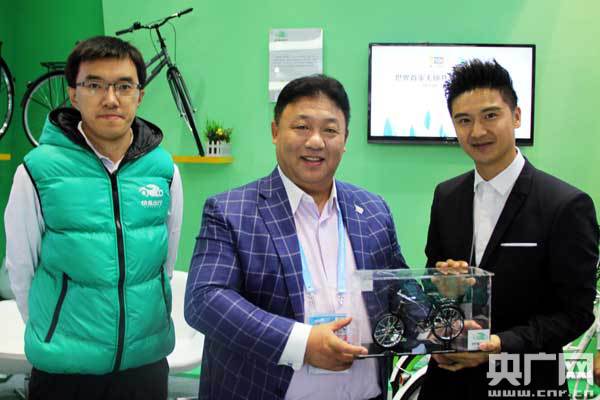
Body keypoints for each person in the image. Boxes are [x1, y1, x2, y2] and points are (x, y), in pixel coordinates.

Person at [184, 74, 407, 400]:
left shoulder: (373, 209)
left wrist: (446, 322)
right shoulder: (230, 211)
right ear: (275, 132)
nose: (315, 141)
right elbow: (205, 300)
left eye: (330, 130)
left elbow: (399, 289)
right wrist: (301, 343)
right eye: (302, 127)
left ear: (345, 139)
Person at [4, 36, 183, 400]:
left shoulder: (163, 170)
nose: (110, 98)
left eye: (124, 86)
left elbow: (164, 263)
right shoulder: (37, 171)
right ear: (73, 94)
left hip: (144, 364)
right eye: (95, 85)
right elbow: (21, 268)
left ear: (140, 95)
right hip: (65, 370)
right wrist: (53, 335)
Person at [418, 59, 599, 399]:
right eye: (464, 120)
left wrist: (500, 344)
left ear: (516, 116)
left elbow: (576, 313)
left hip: (524, 380)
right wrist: (444, 286)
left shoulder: (566, 205)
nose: (477, 132)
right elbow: (434, 284)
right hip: (448, 381)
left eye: (490, 115)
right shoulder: (446, 196)